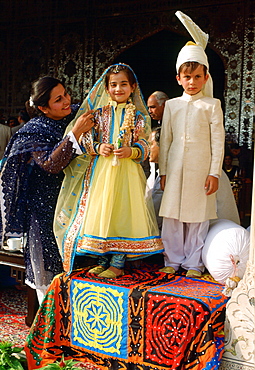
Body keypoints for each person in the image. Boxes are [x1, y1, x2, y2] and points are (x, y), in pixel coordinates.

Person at [55, 63, 163, 278]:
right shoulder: (98, 114)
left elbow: (144, 145)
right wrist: (97, 147)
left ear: (133, 87)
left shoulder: (139, 117)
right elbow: (86, 140)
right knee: (103, 213)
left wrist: (131, 152)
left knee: (122, 214)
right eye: (113, 85)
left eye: (123, 84)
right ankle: (103, 258)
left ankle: (118, 262)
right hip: (101, 172)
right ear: (106, 89)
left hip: (127, 175)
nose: (118, 89)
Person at [0, 76, 94, 303]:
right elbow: (51, 164)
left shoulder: (71, 117)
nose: (66, 102)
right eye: (58, 99)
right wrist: (76, 133)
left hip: (74, 207)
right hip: (44, 213)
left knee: (78, 273)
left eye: (66, 94)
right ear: (43, 107)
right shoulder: (33, 130)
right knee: (50, 278)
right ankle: (49, 331)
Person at [158, 11, 225, 278]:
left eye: (198, 77)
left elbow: (218, 141)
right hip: (174, 170)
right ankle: (172, 260)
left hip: (200, 171)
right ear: (178, 79)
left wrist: (214, 172)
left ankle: (194, 263)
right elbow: (166, 141)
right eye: (187, 77)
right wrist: (163, 171)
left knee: (198, 217)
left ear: (206, 78)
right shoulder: (172, 106)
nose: (192, 82)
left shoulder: (212, 105)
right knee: (173, 216)